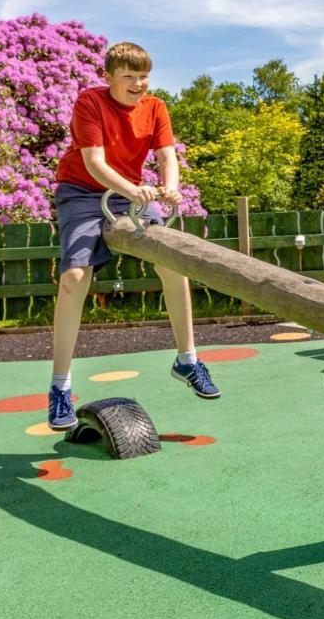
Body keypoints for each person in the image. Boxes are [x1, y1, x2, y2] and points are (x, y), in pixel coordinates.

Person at [48, 42, 219, 432]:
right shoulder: (89, 103)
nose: (138, 83)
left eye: (143, 76)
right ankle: (60, 387)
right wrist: (130, 189)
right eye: (129, 76)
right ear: (108, 77)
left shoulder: (156, 107)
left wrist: (172, 186)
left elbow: (166, 156)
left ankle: (188, 360)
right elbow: (94, 161)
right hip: (82, 192)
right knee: (75, 277)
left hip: (130, 195)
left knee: (174, 265)